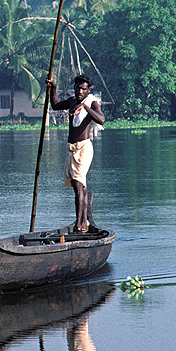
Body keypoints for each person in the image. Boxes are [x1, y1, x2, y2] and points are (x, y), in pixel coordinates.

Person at [47, 75, 105, 233]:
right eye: (77, 88)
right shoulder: (72, 101)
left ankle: (80, 225)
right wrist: (53, 87)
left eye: (83, 89)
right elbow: (56, 105)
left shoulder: (91, 102)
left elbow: (101, 120)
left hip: (84, 148)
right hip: (71, 149)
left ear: (88, 90)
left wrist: (85, 108)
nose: (80, 91)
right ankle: (83, 222)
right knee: (78, 187)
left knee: (79, 185)